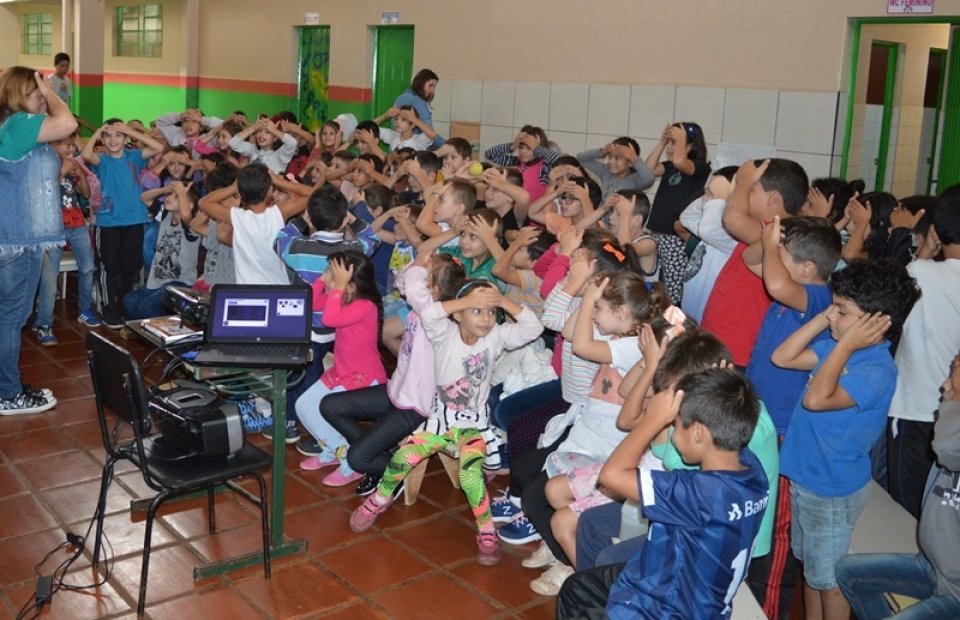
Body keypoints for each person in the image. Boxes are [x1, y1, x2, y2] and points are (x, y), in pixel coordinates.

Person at [348, 279, 544, 566]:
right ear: (458, 314)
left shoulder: (497, 337)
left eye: (490, 312)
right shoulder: (443, 334)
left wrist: (500, 301)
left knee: (470, 477)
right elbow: (430, 314)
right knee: (403, 457)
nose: (486, 319)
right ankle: (379, 499)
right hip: (438, 423)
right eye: (477, 311)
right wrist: (467, 301)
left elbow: (533, 327)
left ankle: (486, 530)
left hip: (472, 429)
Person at [772, 259, 921, 620]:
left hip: (831, 492)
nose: (833, 318)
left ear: (875, 323)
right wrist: (827, 319)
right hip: (809, 482)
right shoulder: (836, 350)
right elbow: (783, 356)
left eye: (842, 311)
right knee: (812, 570)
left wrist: (845, 343)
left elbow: (816, 399)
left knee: (831, 580)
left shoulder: (875, 369)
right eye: (834, 308)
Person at [556, 368, 768, 619]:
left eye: (675, 426)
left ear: (699, 432)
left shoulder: (700, 495)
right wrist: (717, 390)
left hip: (663, 608)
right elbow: (725, 421)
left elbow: (611, 476)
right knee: (577, 588)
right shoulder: (753, 474)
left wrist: (653, 420)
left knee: (583, 601)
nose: (673, 436)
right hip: (681, 587)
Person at [319, 253, 465, 495]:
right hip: (395, 391)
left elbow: (411, 279)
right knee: (330, 406)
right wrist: (426, 262)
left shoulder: (437, 320)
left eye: (427, 273)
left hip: (413, 407)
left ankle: (394, 472)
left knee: (356, 459)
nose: (420, 270)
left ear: (435, 290)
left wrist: (424, 260)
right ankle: (379, 455)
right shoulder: (424, 310)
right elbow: (404, 280)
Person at [836, 352, 960, 618]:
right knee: (848, 572)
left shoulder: (951, 441)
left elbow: (948, 449)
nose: (945, 385)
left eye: (955, 374)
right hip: (933, 569)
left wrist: (954, 403)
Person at [0, 67, 76, 414]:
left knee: (9, 317)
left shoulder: (15, 128)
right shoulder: (18, 124)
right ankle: (7, 392)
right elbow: (68, 123)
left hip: (18, 238)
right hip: (19, 241)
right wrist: (51, 90)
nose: (41, 100)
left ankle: (8, 385)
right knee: (12, 318)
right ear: (20, 96)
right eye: (35, 94)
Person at [887, 186, 960, 519]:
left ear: (936, 230)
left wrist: (927, 251)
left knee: (908, 506)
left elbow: (898, 291)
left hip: (916, 411)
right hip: (954, 419)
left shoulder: (921, 273)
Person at [700, 158, 809, 368]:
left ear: (772, 199)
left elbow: (732, 219)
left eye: (751, 190)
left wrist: (743, 181)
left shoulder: (781, 233)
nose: (738, 196)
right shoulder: (762, 227)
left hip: (735, 351)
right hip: (718, 344)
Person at [295, 252, 387, 487]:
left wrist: (337, 287)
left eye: (332, 273)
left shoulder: (366, 305)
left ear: (351, 282)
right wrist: (323, 281)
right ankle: (333, 449)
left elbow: (330, 319)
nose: (329, 277)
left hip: (363, 376)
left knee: (322, 411)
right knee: (303, 407)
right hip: (343, 371)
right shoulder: (345, 297)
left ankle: (350, 459)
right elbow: (313, 304)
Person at [81, 118, 165, 328]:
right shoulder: (102, 160)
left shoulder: (134, 156)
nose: (113, 140)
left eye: (118, 135)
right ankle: (109, 311)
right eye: (108, 136)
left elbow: (158, 147)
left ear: (125, 139)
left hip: (134, 220)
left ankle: (126, 306)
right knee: (110, 268)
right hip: (107, 223)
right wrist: (99, 130)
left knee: (130, 267)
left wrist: (131, 131)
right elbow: (85, 155)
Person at [32, 132, 98, 347]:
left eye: (73, 146)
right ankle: (44, 323)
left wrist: (79, 174)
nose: (72, 150)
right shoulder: (44, 164)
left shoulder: (73, 165)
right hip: (53, 227)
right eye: (67, 146)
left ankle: (84, 309)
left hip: (77, 223)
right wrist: (61, 172)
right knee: (50, 278)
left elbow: (86, 194)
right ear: (53, 144)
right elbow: (42, 194)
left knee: (88, 267)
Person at [197, 163, 305, 285]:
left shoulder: (237, 217)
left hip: (247, 292)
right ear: (270, 189)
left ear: (241, 192)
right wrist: (280, 182)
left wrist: (233, 187)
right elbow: (313, 194)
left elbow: (204, 202)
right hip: (277, 289)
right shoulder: (278, 213)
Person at [643, 122, 711, 304]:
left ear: (691, 145)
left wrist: (679, 136)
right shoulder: (670, 166)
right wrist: (663, 142)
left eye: (676, 143)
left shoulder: (700, 167)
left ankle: (673, 321)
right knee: (653, 284)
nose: (671, 148)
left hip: (676, 238)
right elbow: (648, 169)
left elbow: (681, 161)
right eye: (671, 143)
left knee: (672, 291)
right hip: (657, 233)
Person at [576, 137, 656, 201]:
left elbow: (649, 179)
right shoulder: (606, 171)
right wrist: (601, 152)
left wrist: (634, 158)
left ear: (630, 163)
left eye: (617, 158)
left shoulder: (635, 181)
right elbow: (581, 158)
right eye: (610, 156)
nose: (611, 161)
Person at [393, 68, 442, 148]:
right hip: (413, 150)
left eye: (434, 87)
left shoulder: (400, 98)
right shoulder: (419, 102)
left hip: (396, 146)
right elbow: (430, 133)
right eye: (430, 85)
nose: (432, 91)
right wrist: (449, 145)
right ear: (421, 83)